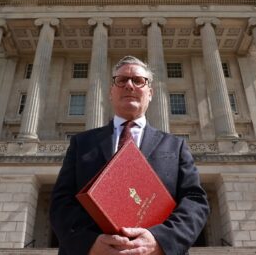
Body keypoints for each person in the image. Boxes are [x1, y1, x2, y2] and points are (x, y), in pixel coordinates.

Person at [50, 55, 209, 255]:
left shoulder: (175, 146)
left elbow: (195, 201)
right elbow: (61, 202)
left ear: (150, 93)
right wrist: (90, 242)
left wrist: (159, 240)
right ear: (111, 91)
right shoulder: (82, 143)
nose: (129, 86)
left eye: (138, 81)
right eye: (122, 80)